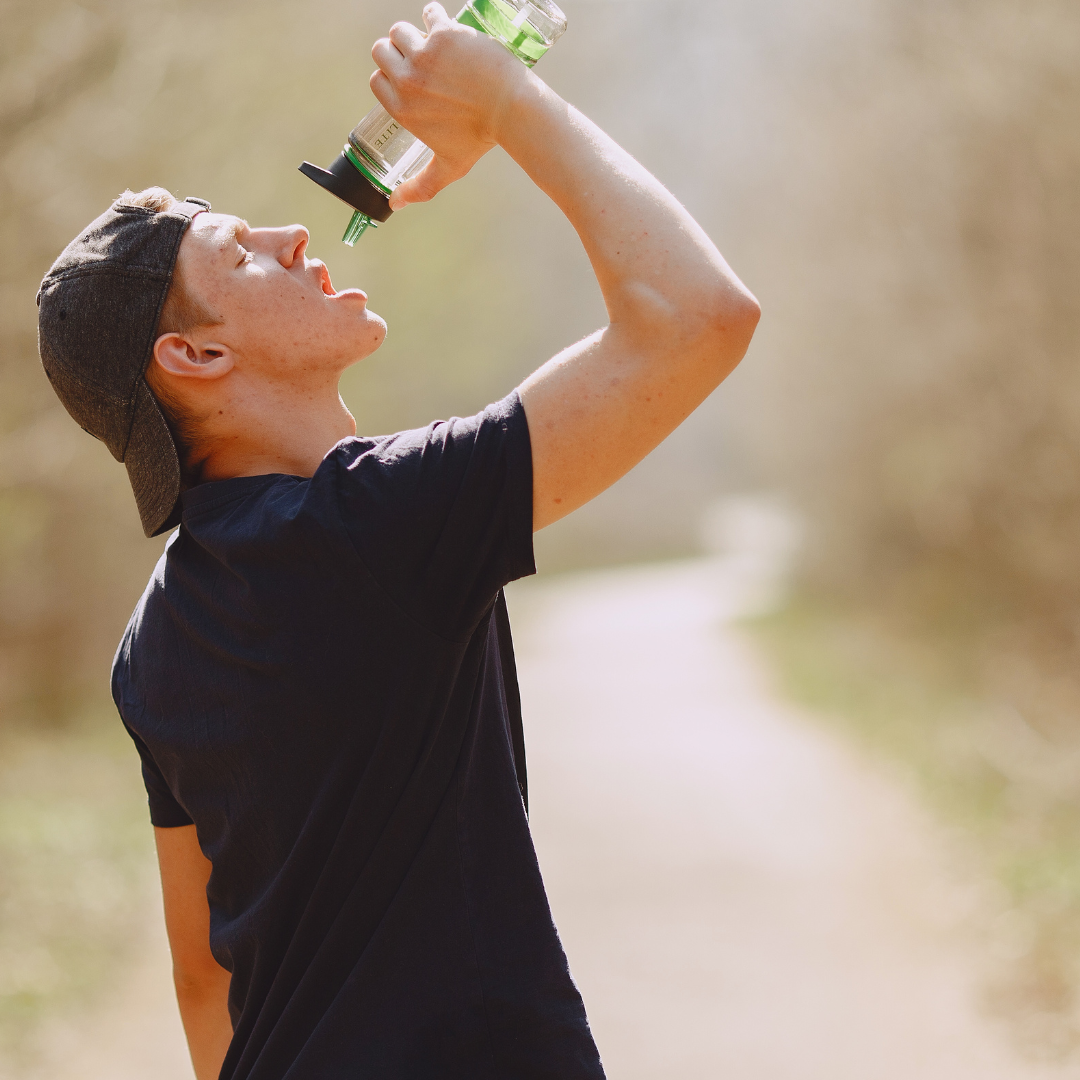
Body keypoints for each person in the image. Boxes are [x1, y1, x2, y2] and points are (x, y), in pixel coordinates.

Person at [35, 4, 759, 1078]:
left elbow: (203, 982)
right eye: (240, 252)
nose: (289, 233)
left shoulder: (154, 642)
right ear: (193, 354)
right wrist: (509, 104)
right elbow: (699, 316)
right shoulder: (374, 528)